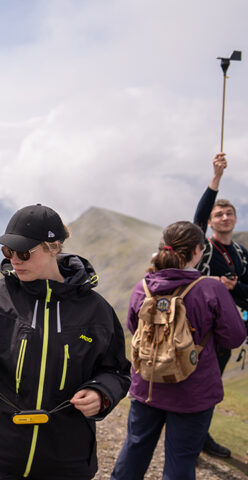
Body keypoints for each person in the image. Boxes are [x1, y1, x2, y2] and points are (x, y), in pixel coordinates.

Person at [0, 204, 131, 480]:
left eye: (24, 253)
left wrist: (101, 394)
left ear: (54, 247)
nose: (14, 260)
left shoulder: (96, 311)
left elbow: (117, 371)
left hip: (65, 461)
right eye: (7, 252)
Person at [111, 221, 246, 480]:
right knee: (181, 460)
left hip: (147, 385)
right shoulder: (211, 288)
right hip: (192, 391)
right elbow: (234, 337)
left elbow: (132, 325)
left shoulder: (144, 286)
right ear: (199, 250)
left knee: (135, 447)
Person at [193, 152, 248, 458]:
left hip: (230, 332)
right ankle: (192, 440)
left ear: (235, 219)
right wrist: (216, 179)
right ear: (211, 222)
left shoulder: (241, 253)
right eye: (219, 214)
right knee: (198, 384)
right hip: (202, 331)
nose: (224, 218)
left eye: (229, 214)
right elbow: (197, 219)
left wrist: (235, 285)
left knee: (213, 387)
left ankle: (201, 436)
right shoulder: (202, 249)